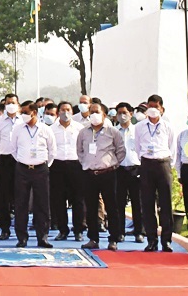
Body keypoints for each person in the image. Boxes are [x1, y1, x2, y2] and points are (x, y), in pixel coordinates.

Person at [76, 102, 126, 251]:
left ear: (104, 115)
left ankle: (113, 239)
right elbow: (80, 151)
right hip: (89, 174)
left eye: (96, 112)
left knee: (112, 207)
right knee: (91, 207)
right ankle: (93, 238)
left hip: (108, 173)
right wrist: (86, 164)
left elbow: (121, 150)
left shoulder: (112, 132)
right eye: (91, 112)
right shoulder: (83, 132)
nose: (93, 115)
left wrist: (113, 164)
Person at [10, 102, 56, 249]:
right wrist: (24, 161)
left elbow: (52, 151)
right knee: (21, 204)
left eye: (25, 112)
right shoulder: (17, 129)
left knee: (42, 204)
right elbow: (13, 149)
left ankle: (42, 237)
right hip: (22, 169)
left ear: (34, 112)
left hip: (41, 169)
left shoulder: (46, 129)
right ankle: (22, 238)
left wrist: (43, 165)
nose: (23, 115)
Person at [135, 96, 177, 252]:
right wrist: (144, 160)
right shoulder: (139, 127)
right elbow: (138, 147)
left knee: (165, 203)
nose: (152, 109)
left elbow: (172, 148)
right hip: (146, 164)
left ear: (162, 109)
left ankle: (166, 240)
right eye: (150, 106)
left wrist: (168, 163)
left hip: (163, 164)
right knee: (147, 203)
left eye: (156, 106)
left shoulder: (168, 126)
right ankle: (151, 240)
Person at [51, 101, 83, 241]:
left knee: (78, 199)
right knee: (58, 199)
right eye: (62, 110)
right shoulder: (51, 129)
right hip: (57, 165)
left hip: (75, 164)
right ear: (58, 112)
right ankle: (63, 230)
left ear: (72, 112)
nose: (65, 113)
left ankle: (78, 230)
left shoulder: (79, 128)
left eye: (68, 110)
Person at [114, 103, 145, 245]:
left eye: (125, 112)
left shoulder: (137, 130)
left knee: (137, 202)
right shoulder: (114, 131)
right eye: (119, 113)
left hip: (135, 169)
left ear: (131, 114)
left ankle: (139, 232)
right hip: (119, 169)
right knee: (118, 203)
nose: (122, 116)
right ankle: (119, 232)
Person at [0, 95, 20, 239]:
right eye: (8, 103)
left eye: (13, 102)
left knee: (21, 196)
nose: (11, 105)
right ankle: (5, 228)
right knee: (4, 197)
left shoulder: (23, 121)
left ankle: (21, 230)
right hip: (5, 160)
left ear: (18, 104)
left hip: (21, 160)